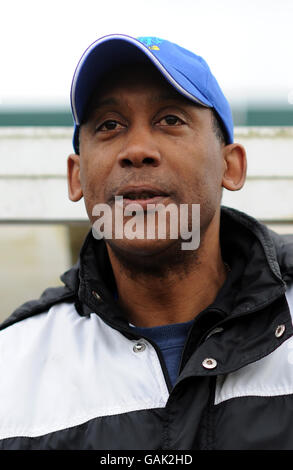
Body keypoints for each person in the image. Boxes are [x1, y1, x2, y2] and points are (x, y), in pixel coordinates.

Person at [0, 33, 293, 451]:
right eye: (110, 125)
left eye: (171, 120)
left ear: (232, 166)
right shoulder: (10, 368)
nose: (137, 150)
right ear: (76, 176)